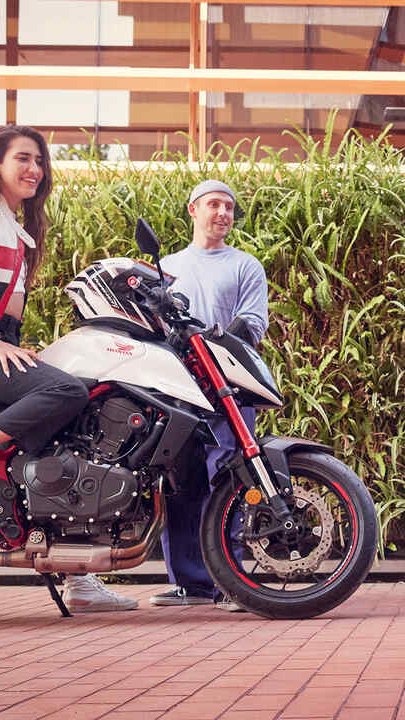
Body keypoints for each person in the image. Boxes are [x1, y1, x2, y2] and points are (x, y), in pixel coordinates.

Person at [0, 125, 137, 613]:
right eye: (22, 158)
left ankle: (78, 577)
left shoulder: (13, 227)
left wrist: (11, 344)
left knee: (71, 419)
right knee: (65, 393)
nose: (34, 169)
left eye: (39, 160)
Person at [148, 179, 268, 610]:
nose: (223, 213)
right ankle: (191, 585)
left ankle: (233, 584)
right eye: (214, 204)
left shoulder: (246, 266)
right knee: (180, 484)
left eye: (230, 207)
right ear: (193, 210)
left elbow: (252, 323)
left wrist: (213, 346)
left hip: (229, 390)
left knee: (231, 481)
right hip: (177, 389)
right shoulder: (168, 266)